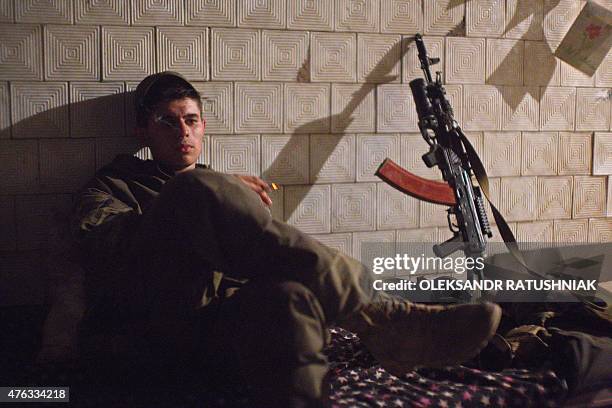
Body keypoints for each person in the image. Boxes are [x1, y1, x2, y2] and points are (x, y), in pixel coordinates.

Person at [71, 71, 502, 407]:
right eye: (166, 122)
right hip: (151, 329)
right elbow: (106, 254)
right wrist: (196, 200)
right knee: (192, 190)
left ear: (203, 128)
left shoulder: (217, 185)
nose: (182, 132)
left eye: (191, 120)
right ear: (142, 132)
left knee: (288, 297)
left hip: (216, 335)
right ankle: (381, 317)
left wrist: (224, 200)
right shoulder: (110, 187)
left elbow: (252, 268)